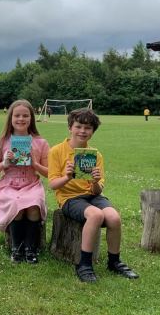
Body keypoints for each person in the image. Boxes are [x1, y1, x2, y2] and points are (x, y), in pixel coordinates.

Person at [48, 108, 138, 283]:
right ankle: (84, 264)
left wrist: (96, 181)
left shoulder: (95, 155)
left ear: (93, 132)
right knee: (96, 215)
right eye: (78, 126)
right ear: (70, 127)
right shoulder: (56, 151)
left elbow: (97, 191)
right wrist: (66, 177)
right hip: (69, 198)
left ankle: (114, 261)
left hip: (92, 195)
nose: (82, 131)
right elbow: (52, 184)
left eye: (88, 128)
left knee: (114, 217)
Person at [0, 100, 49, 263]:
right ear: (10, 118)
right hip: (9, 185)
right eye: (17, 115)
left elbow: (50, 173)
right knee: (17, 204)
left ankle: (31, 249)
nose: (21, 119)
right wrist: (4, 163)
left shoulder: (40, 143)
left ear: (31, 118)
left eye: (25, 115)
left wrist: (35, 164)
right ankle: (17, 248)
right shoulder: (2, 142)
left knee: (34, 204)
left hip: (31, 184)